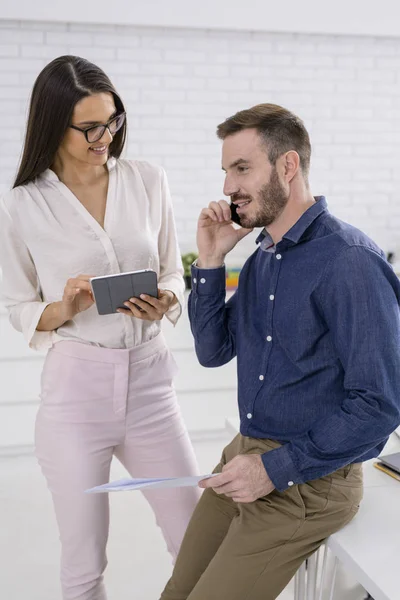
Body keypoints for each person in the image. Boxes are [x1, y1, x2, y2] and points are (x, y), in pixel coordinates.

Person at [160, 103, 400, 600]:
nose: (228, 186)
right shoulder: (261, 260)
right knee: (175, 593)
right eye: (226, 170)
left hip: (310, 480)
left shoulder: (350, 262)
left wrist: (274, 469)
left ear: (287, 167)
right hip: (244, 456)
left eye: (242, 167)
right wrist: (210, 260)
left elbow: (380, 404)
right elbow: (213, 350)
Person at [0, 55, 200, 600]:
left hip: (152, 385)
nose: (104, 136)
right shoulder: (23, 205)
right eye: (89, 127)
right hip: (76, 394)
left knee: (196, 540)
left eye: (111, 121)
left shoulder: (147, 179)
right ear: (51, 125)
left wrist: (167, 300)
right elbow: (17, 305)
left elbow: (169, 270)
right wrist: (64, 305)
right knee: (84, 562)